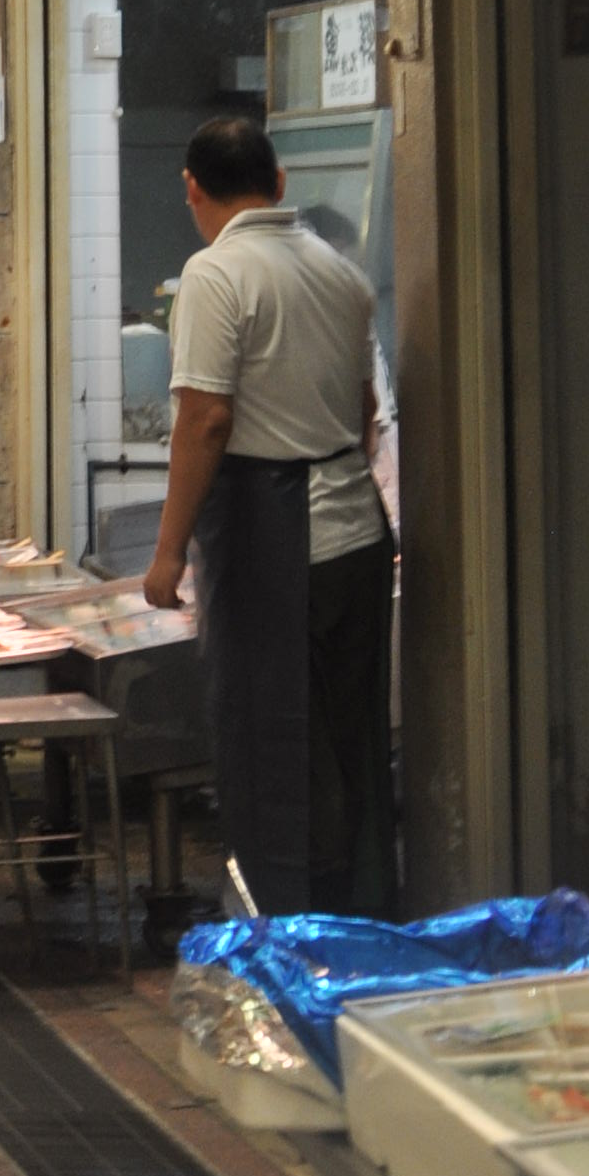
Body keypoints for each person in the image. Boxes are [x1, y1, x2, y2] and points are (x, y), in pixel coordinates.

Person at [141, 111, 396, 918]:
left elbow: (206, 420)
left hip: (277, 543)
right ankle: (357, 918)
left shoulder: (215, 275)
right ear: (279, 182)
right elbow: (365, 413)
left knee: (275, 749)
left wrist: (168, 552)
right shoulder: (340, 274)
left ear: (191, 189)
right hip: (358, 536)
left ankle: (290, 935)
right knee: (349, 744)